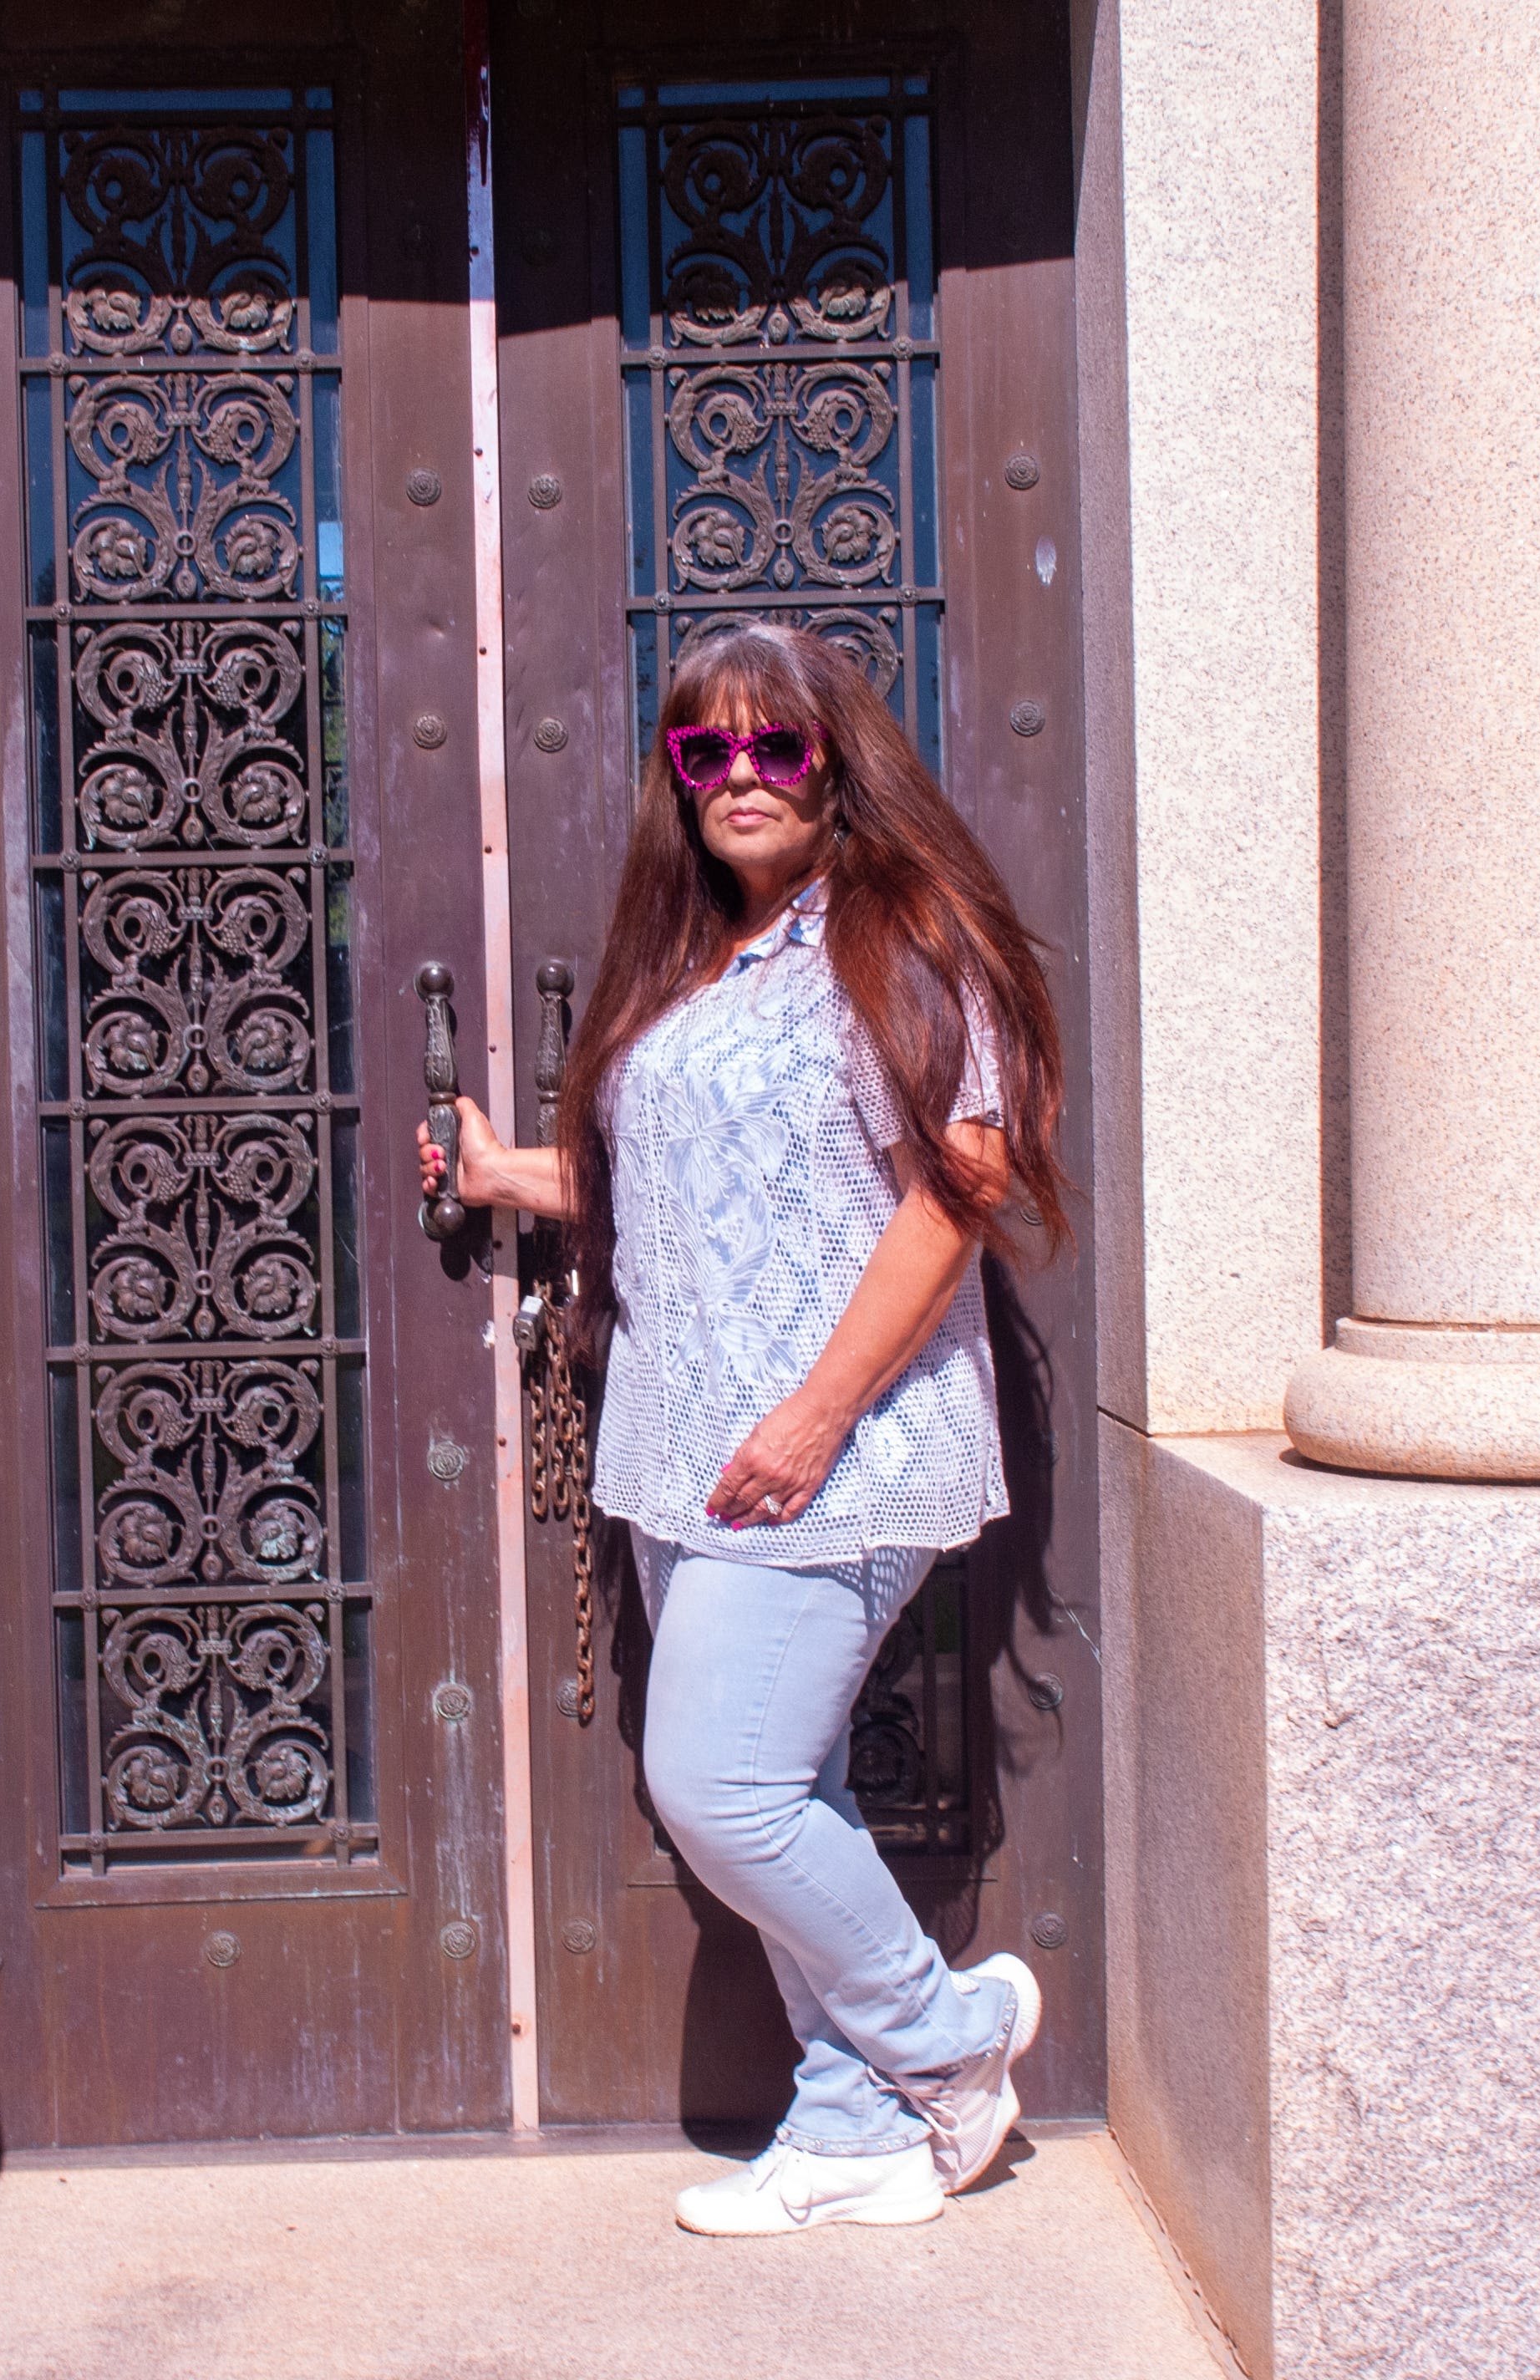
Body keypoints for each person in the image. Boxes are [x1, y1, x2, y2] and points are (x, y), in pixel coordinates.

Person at [419, 619, 1071, 2235]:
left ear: (835, 763)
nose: (740, 779)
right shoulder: (698, 962)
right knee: (796, 1791)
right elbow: (681, 1196)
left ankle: (950, 2035)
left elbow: (960, 1187)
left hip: (838, 1458)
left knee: (723, 1788)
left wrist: (816, 1411)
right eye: (704, 753)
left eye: (775, 746)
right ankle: (853, 2121)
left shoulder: (902, 934)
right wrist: (515, 1181)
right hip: (683, 1444)